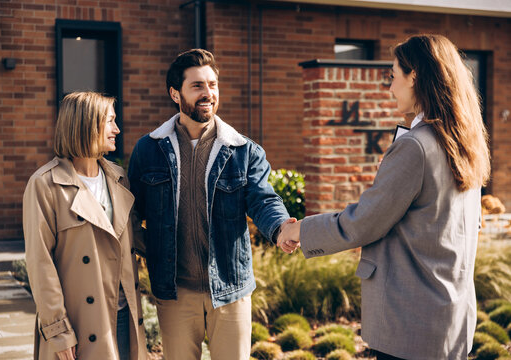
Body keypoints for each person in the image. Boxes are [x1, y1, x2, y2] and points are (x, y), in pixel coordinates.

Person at [278, 34, 491, 359]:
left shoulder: (416, 146)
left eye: (393, 77)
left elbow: (364, 222)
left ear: (414, 77)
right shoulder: (465, 143)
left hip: (411, 323)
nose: (389, 88)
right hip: (452, 319)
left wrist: (298, 230)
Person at [128, 49, 293, 359]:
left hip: (230, 291)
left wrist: (281, 226)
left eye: (213, 85)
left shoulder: (243, 150)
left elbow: (263, 199)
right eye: (198, 86)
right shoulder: (147, 150)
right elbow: (130, 213)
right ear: (175, 93)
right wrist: (151, 249)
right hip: (174, 293)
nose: (208, 94)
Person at [23, 92, 147, 360]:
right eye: (110, 121)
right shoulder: (45, 184)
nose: (117, 129)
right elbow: (40, 263)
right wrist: (58, 330)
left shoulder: (119, 178)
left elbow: (138, 239)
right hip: (79, 323)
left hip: (124, 315)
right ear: (86, 124)